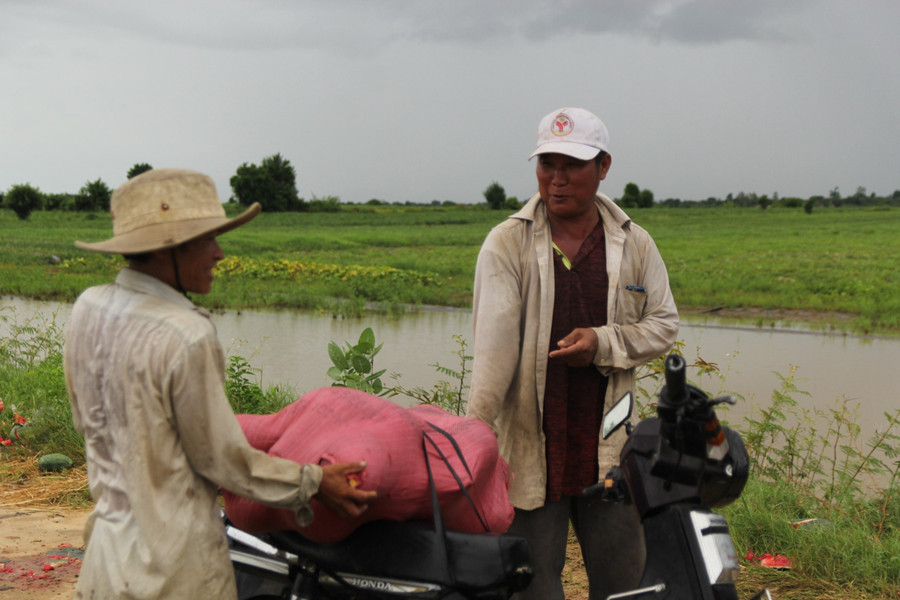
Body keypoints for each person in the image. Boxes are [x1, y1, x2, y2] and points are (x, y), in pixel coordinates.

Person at [63, 168, 377, 599]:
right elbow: (225, 462)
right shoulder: (185, 335)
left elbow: (90, 422)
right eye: (208, 239)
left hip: (105, 562)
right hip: (175, 574)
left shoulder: (89, 307)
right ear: (168, 248)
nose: (220, 254)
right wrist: (313, 482)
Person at [467, 108, 678, 600]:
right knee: (531, 583)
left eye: (573, 165)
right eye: (548, 164)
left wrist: (602, 343)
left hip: (607, 443)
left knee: (626, 583)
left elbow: (663, 324)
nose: (557, 179)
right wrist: (474, 438)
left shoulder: (634, 242)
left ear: (603, 166)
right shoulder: (507, 243)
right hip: (530, 443)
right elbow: (493, 353)